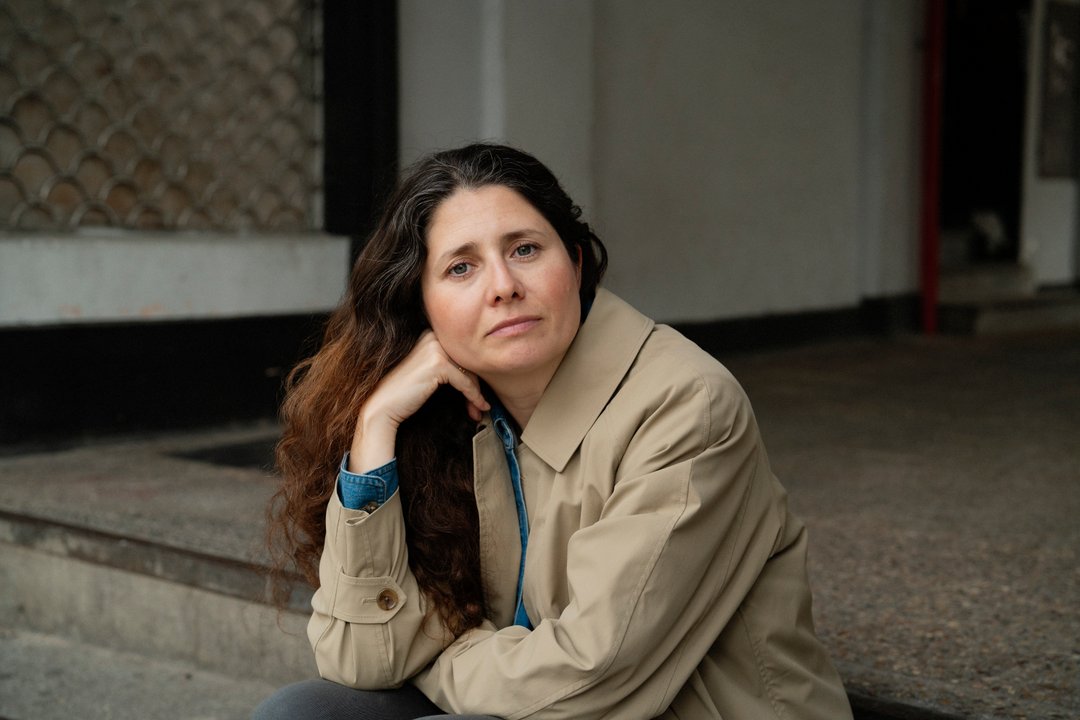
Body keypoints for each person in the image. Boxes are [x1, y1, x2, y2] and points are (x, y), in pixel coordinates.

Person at [254, 143, 852, 720]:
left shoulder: (685, 406)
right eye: (461, 267)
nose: (503, 286)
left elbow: (591, 673)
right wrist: (375, 429)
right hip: (522, 696)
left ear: (576, 261)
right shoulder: (441, 416)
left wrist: (428, 658)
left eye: (525, 250)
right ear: (423, 306)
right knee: (300, 713)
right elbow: (359, 657)